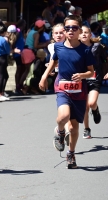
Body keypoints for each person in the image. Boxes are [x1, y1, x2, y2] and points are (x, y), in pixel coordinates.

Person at [39, 15, 95, 169]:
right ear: (64, 30)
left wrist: (83, 75)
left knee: (74, 127)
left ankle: (71, 153)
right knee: (63, 117)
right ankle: (60, 131)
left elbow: (91, 72)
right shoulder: (58, 47)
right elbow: (53, 62)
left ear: (79, 31)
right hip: (62, 88)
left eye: (74, 28)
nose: (71, 31)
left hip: (79, 91)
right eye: (68, 28)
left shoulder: (85, 50)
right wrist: (44, 77)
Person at [80, 26, 106, 139]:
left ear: (91, 35)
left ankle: (95, 110)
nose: (84, 34)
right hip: (82, 79)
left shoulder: (97, 47)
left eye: (86, 32)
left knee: (91, 103)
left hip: (96, 78)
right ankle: (86, 129)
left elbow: (106, 59)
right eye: (81, 32)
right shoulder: (76, 47)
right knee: (85, 106)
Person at [13, 19, 26, 94]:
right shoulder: (18, 32)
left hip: (22, 52)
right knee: (19, 69)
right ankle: (17, 85)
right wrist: (14, 49)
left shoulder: (21, 32)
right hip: (17, 53)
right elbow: (14, 41)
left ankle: (19, 85)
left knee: (22, 69)